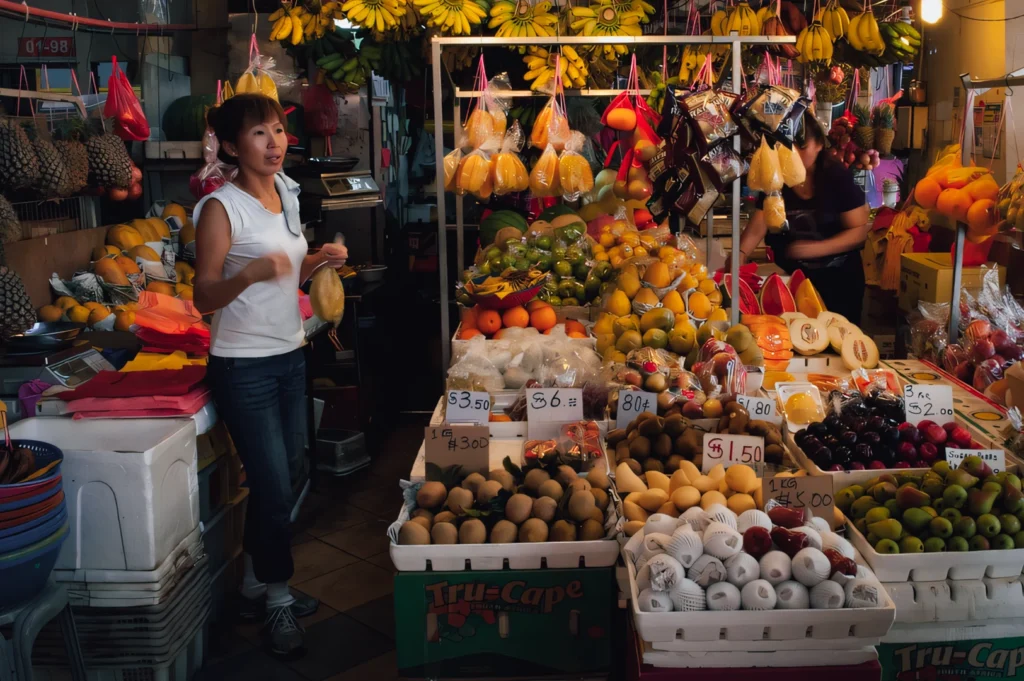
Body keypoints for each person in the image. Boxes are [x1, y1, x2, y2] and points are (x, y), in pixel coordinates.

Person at [193, 93, 348, 656]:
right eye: (259, 133)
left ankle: (256, 583)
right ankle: (279, 598)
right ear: (233, 147)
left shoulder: (285, 194)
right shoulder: (219, 208)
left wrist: (317, 261)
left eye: (279, 130)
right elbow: (203, 295)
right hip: (243, 364)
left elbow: (288, 269)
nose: (274, 142)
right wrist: (252, 272)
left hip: (289, 354)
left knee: (289, 469)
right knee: (275, 480)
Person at [737, 112, 870, 323]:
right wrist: (740, 254)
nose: (793, 154)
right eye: (787, 146)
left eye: (802, 146)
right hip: (792, 283)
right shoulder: (775, 177)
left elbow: (860, 232)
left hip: (839, 283)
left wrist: (816, 248)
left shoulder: (836, 176)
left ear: (819, 145)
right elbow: (759, 224)